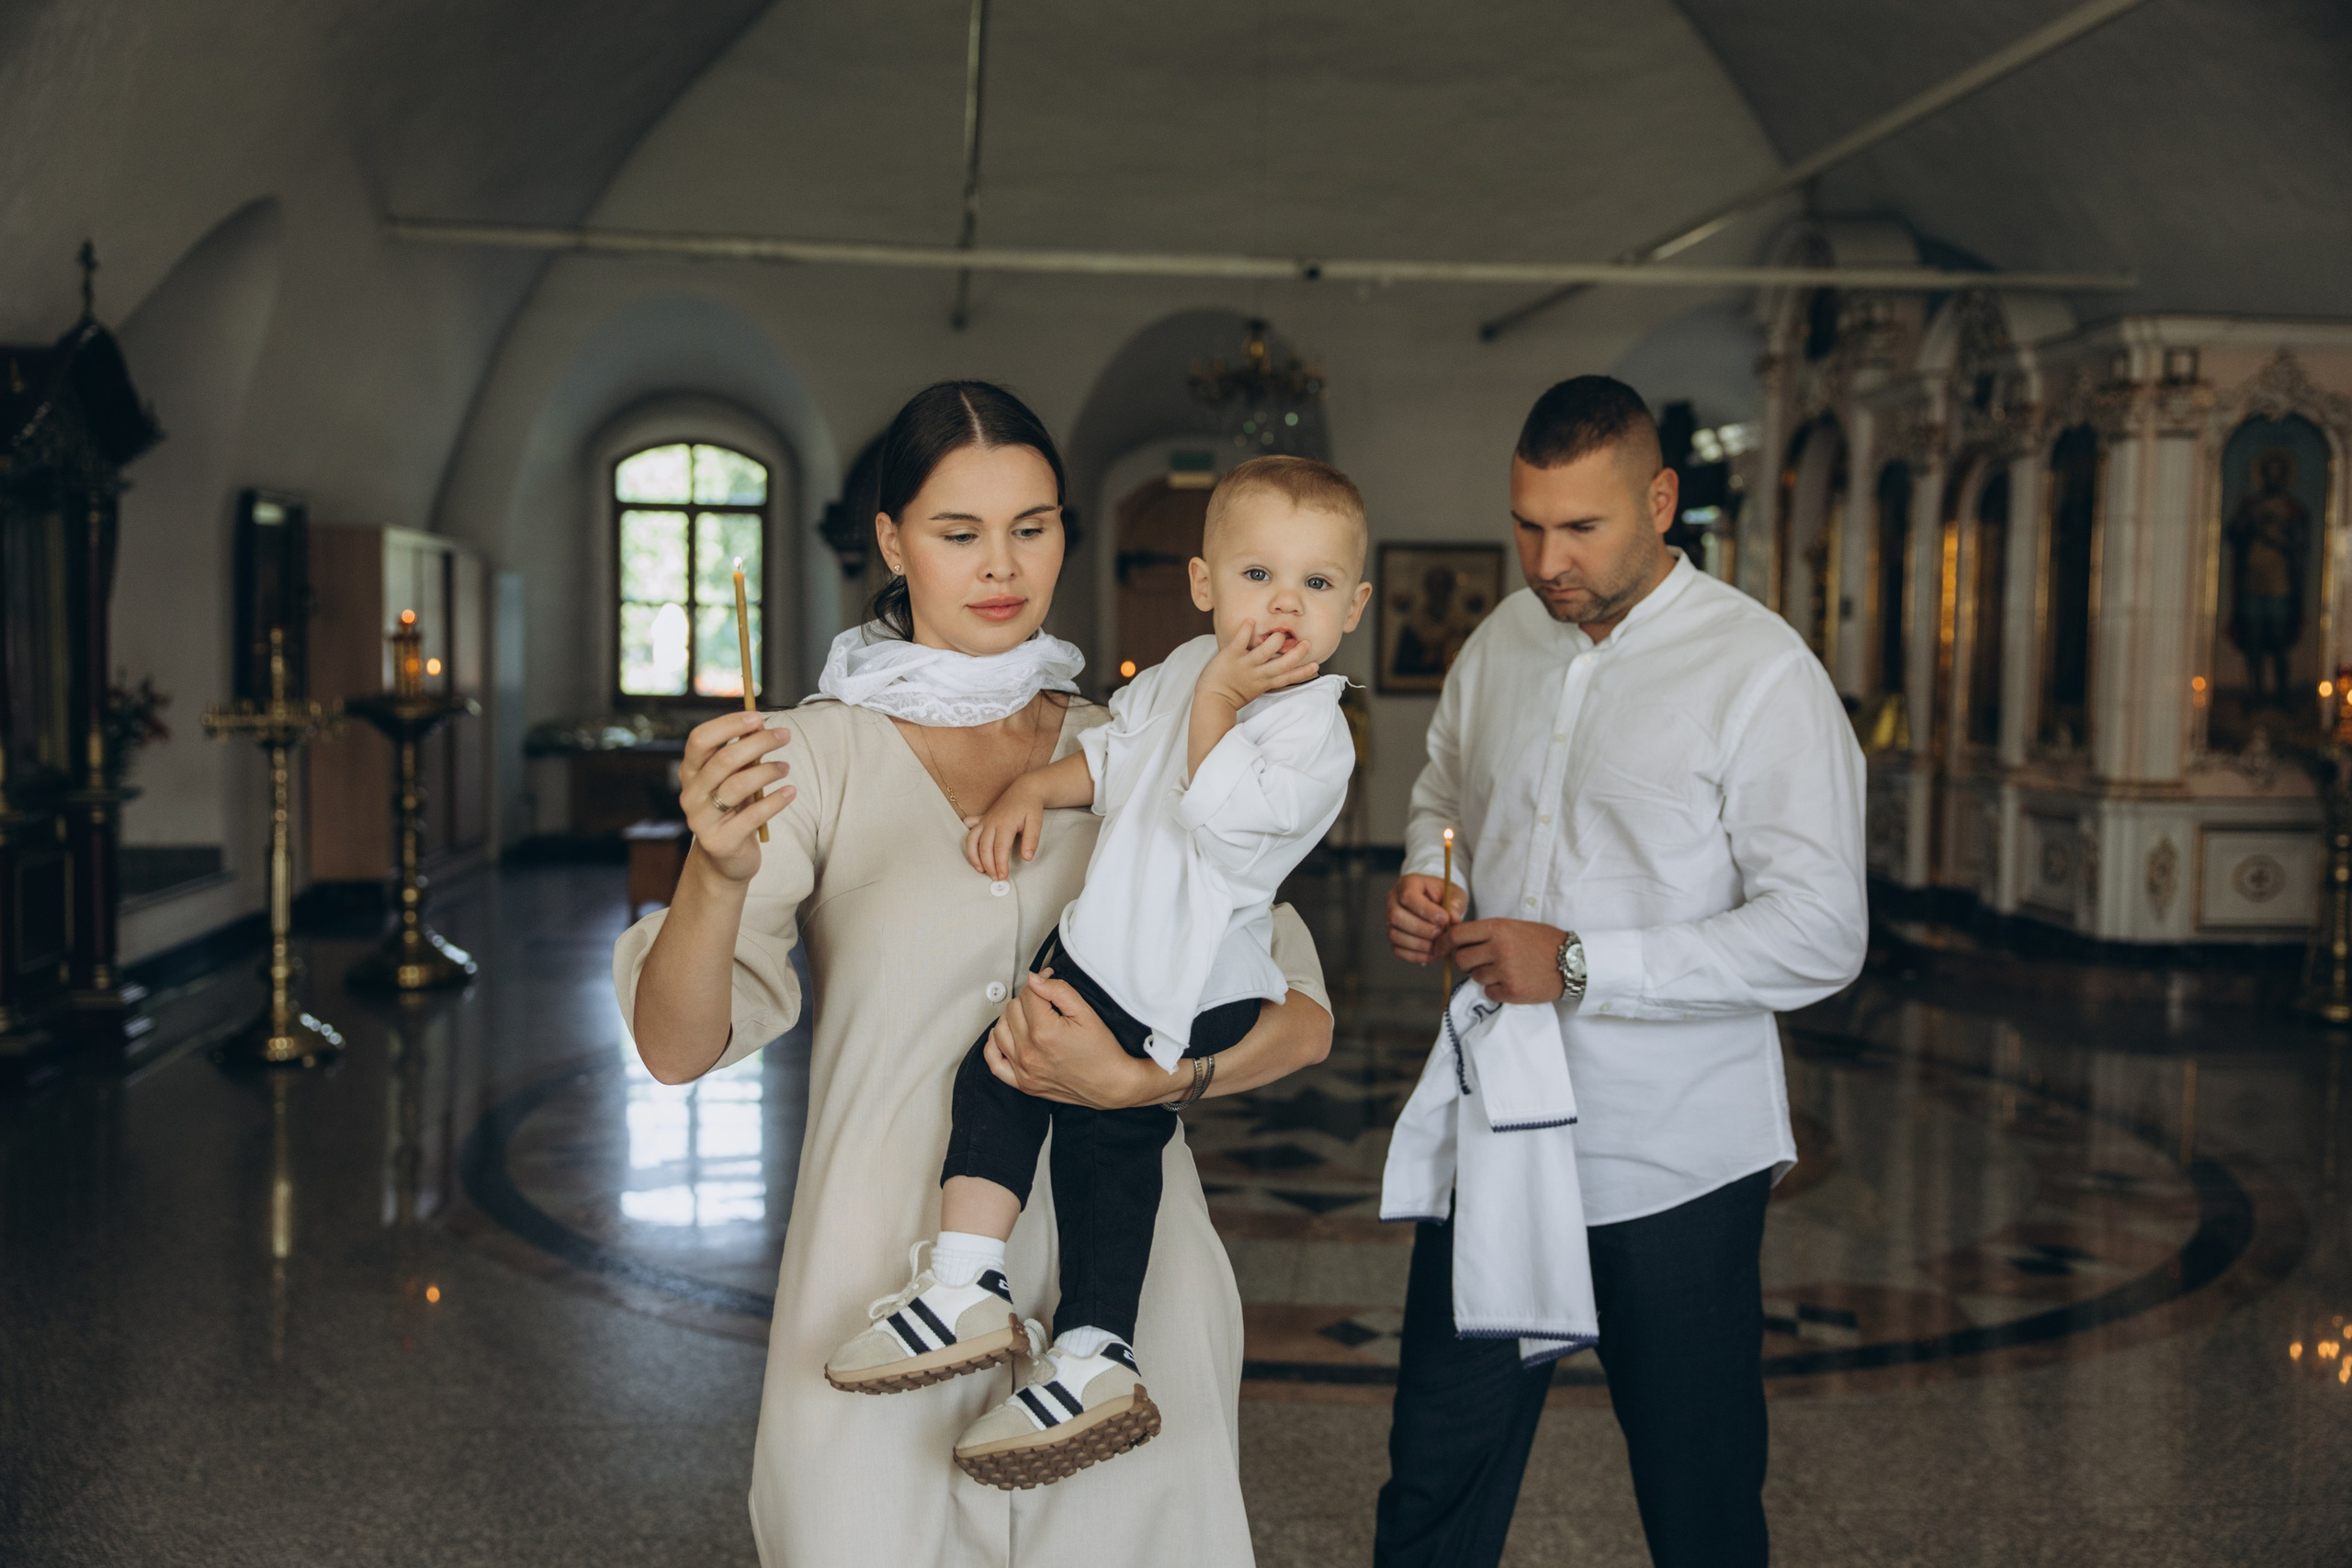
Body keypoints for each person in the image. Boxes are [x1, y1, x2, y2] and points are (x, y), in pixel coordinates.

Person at [614, 382, 1337, 1567]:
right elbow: (675, 1046)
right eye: (959, 533)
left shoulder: (1147, 741)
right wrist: (715, 869)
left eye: (1033, 526)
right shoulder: (805, 755)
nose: (1002, 566)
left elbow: (1301, 1014)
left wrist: (1153, 1083)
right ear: (892, 541)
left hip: (1125, 1296)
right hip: (879, 1291)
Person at [1374, 376, 1868, 1568]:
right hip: (1496, 1136)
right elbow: (1445, 784)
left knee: (1698, 1501)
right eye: (1528, 523)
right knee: (1434, 1478)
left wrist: (1584, 962)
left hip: (1675, 1160)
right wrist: (1429, 871)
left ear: (1660, 498)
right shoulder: (1501, 639)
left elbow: (1821, 932)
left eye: (1582, 527)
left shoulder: (1760, 672)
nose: (1549, 558)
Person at [824, 456, 1370, 1490]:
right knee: (999, 1077)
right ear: (1204, 584)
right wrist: (1039, 782)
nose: (1281, 607)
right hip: (1103, 946)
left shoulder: (1313, 733)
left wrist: (1218, 690)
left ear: (1354, 605)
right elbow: (1120, 762)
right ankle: (970, 1288)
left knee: (1103, 1153)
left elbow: (1215, 808)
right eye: (1257, 577)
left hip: (1181, 980)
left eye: (1315, 584)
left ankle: (1089, 1353)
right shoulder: (1179, 672)